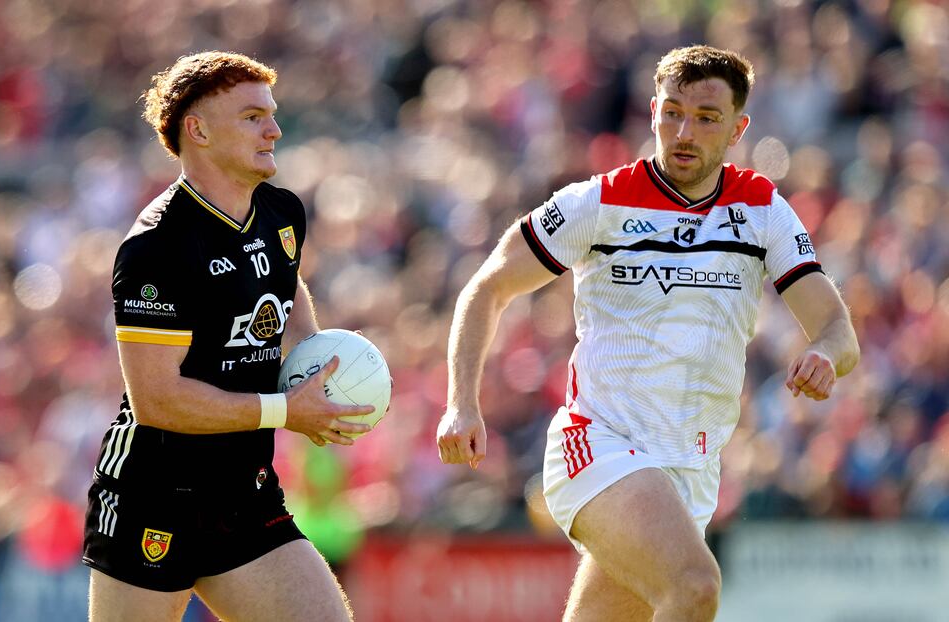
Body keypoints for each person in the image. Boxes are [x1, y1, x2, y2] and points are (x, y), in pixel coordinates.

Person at [437, 45, 859, 621]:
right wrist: (462, 403)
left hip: (690, 470)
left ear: (739, 129)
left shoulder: (762, 210)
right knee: (694, 585)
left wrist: (824, 355)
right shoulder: (599, 201)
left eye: (706, 118)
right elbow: (486, 288)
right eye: (672, 112)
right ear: (653, 111)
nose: (684, 132)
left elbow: (838, 330)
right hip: (598, 444)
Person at [82, 51, 374, 622]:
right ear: (198, 130)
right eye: (251, 116)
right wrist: (285, 410)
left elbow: (284, 293)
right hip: (153, 494)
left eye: (271, 113)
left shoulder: (281, 212)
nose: (274, 128)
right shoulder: (156, 247)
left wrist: (314, 364)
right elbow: (158, 401)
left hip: (243, 491)